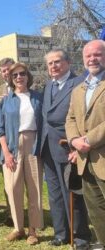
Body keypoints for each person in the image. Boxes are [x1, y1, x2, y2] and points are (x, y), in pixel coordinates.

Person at [41, 49, 91, 249]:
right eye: (50, 63)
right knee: (54, 193)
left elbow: (83, 118)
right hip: (47, 148)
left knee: (73, 193)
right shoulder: (48, 86)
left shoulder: (79, 84)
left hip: (67, 146)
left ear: (68, 63)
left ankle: (80, 237)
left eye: (57, 61)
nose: (53, 66)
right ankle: (61, 233)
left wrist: (76, 147)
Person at [0, 63, 43, 245]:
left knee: (35, 188)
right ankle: (18, 228)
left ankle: (32, 230)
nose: (19, 77)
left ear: (27, 76)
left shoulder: (38, 98)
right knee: (13, 188)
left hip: (33, 144)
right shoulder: (6, 100)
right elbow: (0, 129)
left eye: (22, 74)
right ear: (11, 79)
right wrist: (6, 152)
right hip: (12, 146)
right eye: (14, 75)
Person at [65, 39, 105, 247]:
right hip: (85, 160)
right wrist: (73, 140)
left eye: (97, 54)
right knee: (96, 211)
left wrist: (88, 140)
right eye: (88, 56)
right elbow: (70, 118)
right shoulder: (78, 89)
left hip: (102, 157)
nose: (92, 59)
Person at [0, 57, 15, 227]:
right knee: (8, 181)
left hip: (23, 140)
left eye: (9, 69)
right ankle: (11, 213)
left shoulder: (26, 86)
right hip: (3, 142)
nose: (6, 72)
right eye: (3, 70)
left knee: (28, 180)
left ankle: (32, 214)